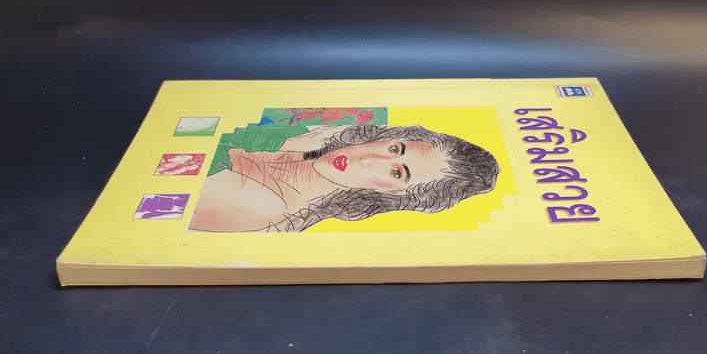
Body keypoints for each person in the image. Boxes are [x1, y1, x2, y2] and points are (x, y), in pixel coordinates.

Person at [188, 123, 499, 232]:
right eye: (394, 148)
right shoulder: (310, 137)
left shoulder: (265, 205)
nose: (368, 159)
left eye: (395, 172)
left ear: (393, 197)